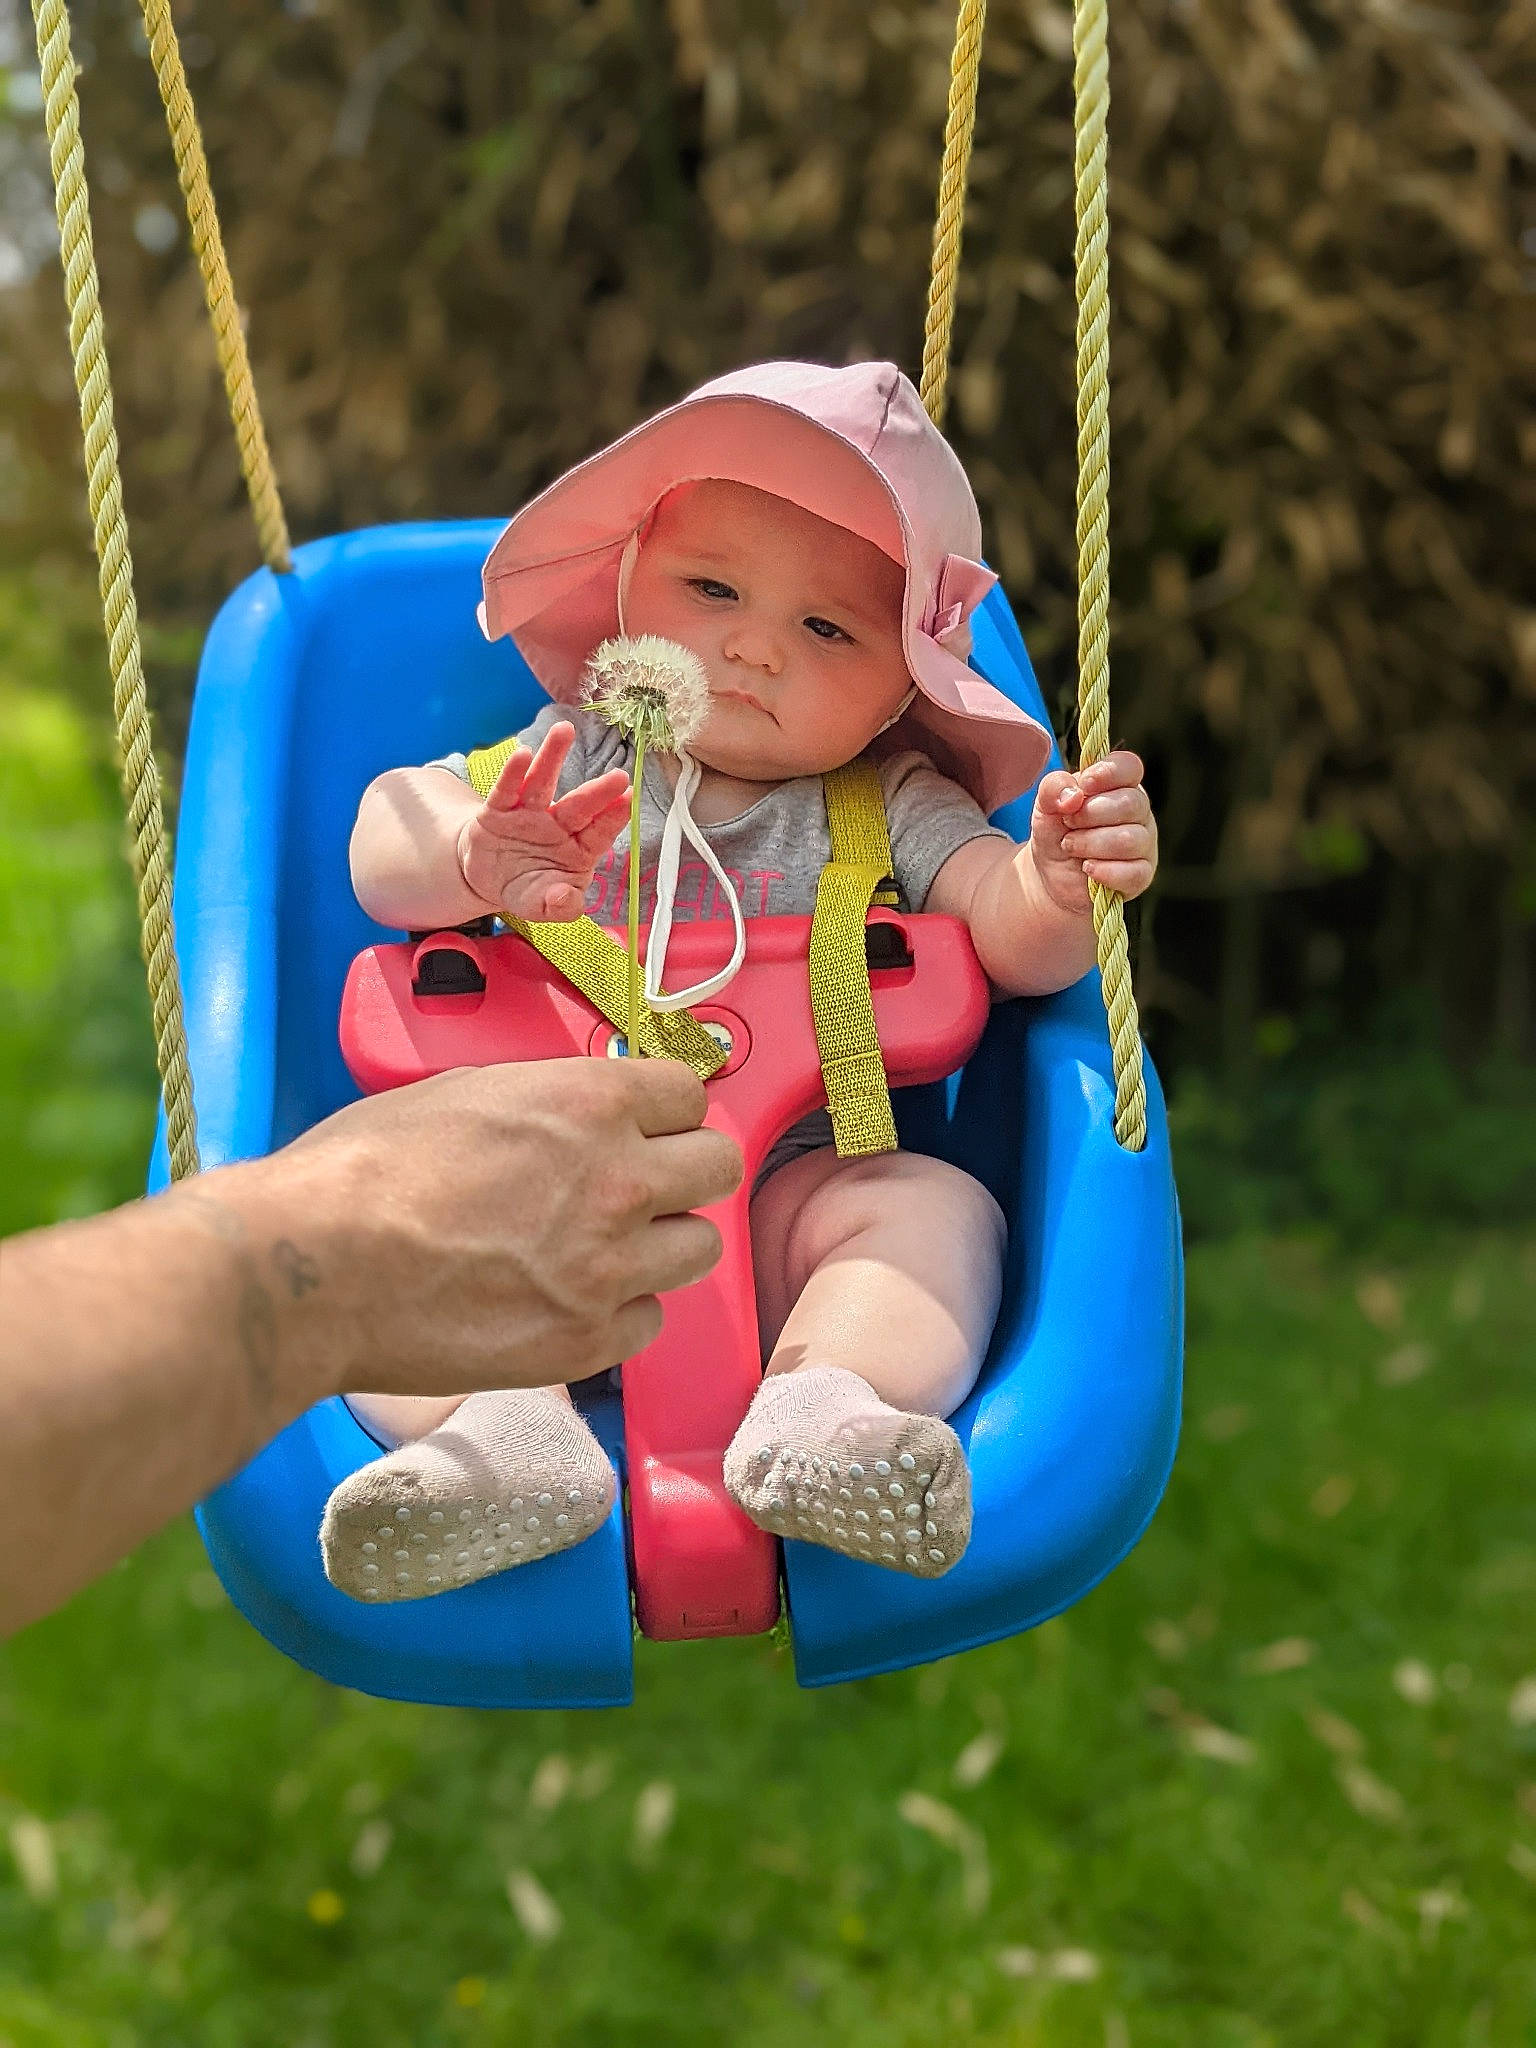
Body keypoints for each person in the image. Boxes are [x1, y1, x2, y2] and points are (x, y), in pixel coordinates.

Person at [318, 358, 1159, 1604]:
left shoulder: (891, 802)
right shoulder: (559, 759)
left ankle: (827, 1409)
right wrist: (468, 853)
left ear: (901, 690)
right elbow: (386, 835)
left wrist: (1056, 877)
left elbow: (1006, 930)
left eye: (828, 629)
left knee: (929, 1210)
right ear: (623, 596)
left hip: (779, 1230)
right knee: (355, 1218)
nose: (754, 645)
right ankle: (504, 1438)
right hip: (522, 1214)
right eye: (710, 587)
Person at [0, 1056, 742, 1637]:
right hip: (490, 1179)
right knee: (422, 1319)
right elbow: (376, 876)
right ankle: (508, 1436)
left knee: (848, 1232)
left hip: (777, 1186)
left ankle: (833, 1413)